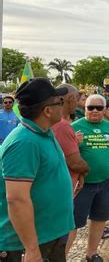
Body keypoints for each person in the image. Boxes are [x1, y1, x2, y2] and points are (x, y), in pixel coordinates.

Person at [0, 78, 73, 261]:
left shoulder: (43, 132)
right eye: (59, 102)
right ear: (48, 111)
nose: (62, 106)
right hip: (25, 244)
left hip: (49, 235)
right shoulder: (24, 142)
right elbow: (16, 199)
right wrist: (31, 249)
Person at [68, 95, 109, 262]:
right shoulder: (74, 128)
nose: (94, 110)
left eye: (99, 108)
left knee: (100, 218)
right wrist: (75, 144)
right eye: (90, 107)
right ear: (84, 108)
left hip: (108, 183)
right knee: (73, 223)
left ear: (104, 110)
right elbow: (64, 154)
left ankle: (91, 253)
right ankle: (61, 257)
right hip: (82, 185)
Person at [52, 84, 89, 192]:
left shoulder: (55, 122)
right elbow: (75, 163)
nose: (77, 104)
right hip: (63, 187)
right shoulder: (62, 125)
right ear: (71, 98)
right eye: (77, 99)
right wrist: (85, 170)